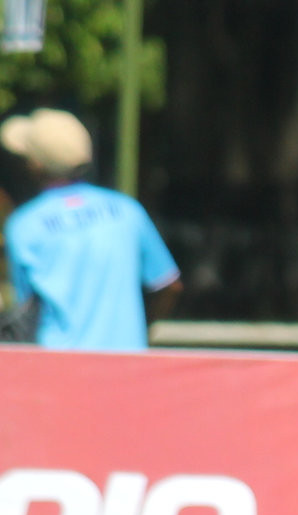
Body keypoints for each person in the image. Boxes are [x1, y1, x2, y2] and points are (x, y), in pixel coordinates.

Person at [1, 108, 180, 350]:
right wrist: (139, 329)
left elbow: (26, 311)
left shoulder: (23, 225)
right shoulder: (127, 211)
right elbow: (169, 285)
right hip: (126, 367)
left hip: (58, 370)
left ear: (35, 164)